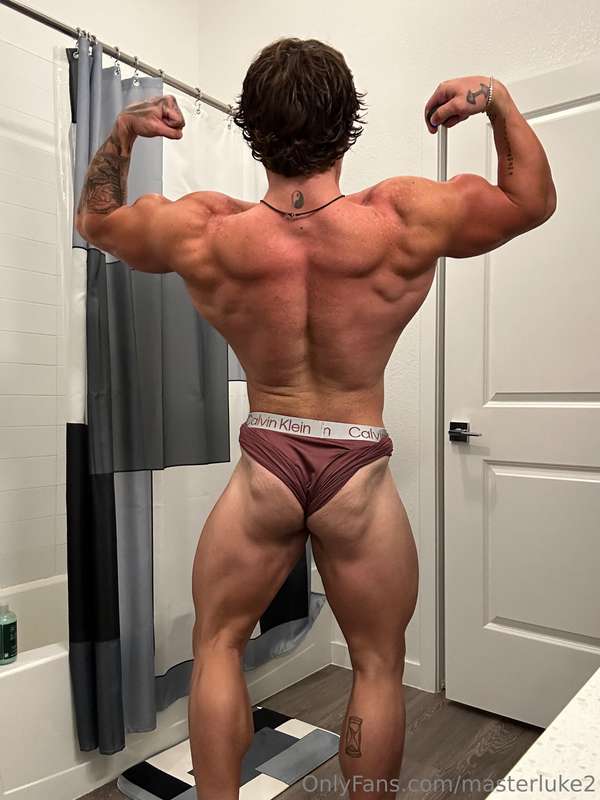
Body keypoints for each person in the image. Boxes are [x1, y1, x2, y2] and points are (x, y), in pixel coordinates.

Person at [75, 37, 556, 800]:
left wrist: (124, 132)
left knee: (217, 644)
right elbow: (531, 201)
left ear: (251, 130)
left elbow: (96, 219)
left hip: (267, 457)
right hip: (355, 466)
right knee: (377, 663)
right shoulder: (402, 216)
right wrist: (494, 98)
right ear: (347, 124)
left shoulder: (205, 229)